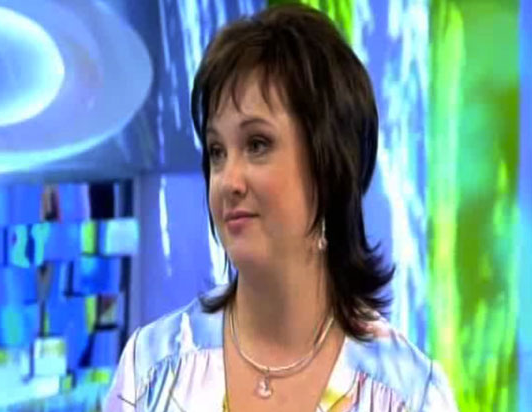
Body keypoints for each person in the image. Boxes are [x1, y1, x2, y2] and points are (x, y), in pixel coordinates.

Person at [104, 4, 458, 411]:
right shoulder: (150, 368)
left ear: (328, 163)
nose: (228, 181)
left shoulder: (408, 393)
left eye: (257, 144)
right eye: (217, 151)